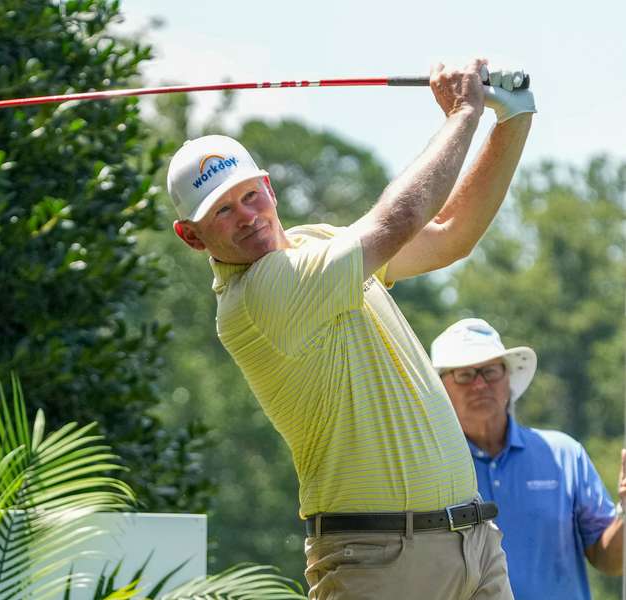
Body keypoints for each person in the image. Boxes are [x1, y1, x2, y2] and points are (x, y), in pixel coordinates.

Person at [165, 58, 535, 600]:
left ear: (269, 187)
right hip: (380, 559)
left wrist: (513, 118)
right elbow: (398, 219)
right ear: (192, 237)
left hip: (473, 543)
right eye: (222, 212)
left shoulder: (316, 242)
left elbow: (452, 234)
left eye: (250, 195)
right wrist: (462, 114)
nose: (248, 216)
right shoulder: (258, 295)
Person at [431, 317, 626, 600]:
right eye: (464, 374)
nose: (480, 385)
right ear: (441, 388)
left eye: (490, 371)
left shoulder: (564, 454)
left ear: (508, 378)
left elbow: (611, 561)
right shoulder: (430, 468)